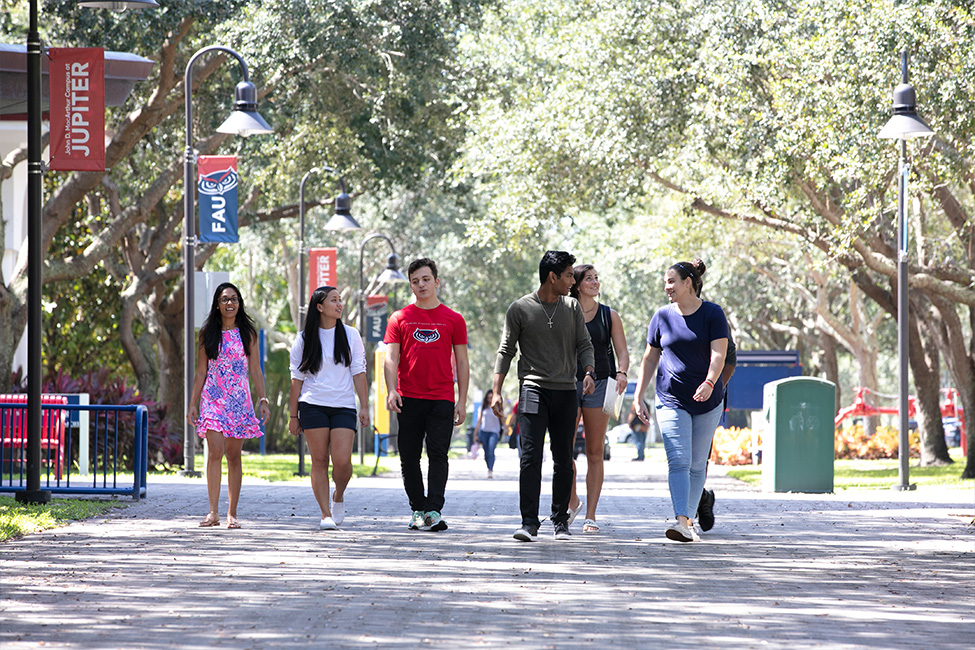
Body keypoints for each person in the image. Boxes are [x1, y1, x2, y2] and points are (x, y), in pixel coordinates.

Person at [492, 250, 595, 542]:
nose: (572, 280)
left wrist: (588, 370)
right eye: (568, 275)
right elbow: (506, 351)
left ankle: (560, 521)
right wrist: (496, 391)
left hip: (565, 392)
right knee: (530, 458)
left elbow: (584, 344)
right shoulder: (520, 309)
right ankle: (528, 522)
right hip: (532, 390)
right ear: (553, 277)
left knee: (563, 458)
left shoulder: (572, 307)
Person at [633, 259, 728, 543]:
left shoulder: (713, 314)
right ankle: (682, 521)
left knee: (698, 464)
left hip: (707, 399)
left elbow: (719, 354)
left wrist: (710, 382)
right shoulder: (661, 316)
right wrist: (638, 396)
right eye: (665, 281)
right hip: (671, 397)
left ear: (689, 283)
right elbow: (650, 357)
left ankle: (688, 518)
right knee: (678, 460)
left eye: (671, 281)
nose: (667, 287)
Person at [383, 258, 470, 532]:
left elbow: (463, 362)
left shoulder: (454, 319)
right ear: (411, 285)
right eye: (415, 281)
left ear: (436, 281)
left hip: (442, 397)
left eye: (426, 279)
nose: (421, 285)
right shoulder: (399, 318)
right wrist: (391, 390)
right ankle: (417, 510)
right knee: (409, 456)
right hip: (408, 396)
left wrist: (462, 400)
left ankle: (434, 510)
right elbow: (391, 357)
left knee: (438, 454)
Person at [188, 282, 270, 530]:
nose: (230, 303)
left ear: (239, 303)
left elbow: (255, 369)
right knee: (215, 451)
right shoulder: (207, 333)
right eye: (225, 299)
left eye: (234, 299)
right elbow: (201, 371)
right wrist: (193, 403)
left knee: (234, 456)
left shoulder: (248, 333)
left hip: (239, 401)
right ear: (217, 303)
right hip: (213, 398)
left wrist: (263, 399)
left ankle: (231, 513)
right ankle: (212, 512)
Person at [289, 286, 369, 530]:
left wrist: (364, 406)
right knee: (320, 460)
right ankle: (325, 514)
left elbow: (359, 371)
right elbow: (296, 379)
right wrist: (293, 415)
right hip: (313, 404)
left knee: (342, 461)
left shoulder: (351, 334)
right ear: (319, 306)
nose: (339, 304)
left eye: (340, 300)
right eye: (334, 300)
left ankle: (338, 495)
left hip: (343, 405)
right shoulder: (304, 339)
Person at [566, 264, 629, 534]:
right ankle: (572, 501)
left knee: (594, 451)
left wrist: (622, 372)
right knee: (563, 451)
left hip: (603, 384)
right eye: (588, 278)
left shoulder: (609, 315)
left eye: (596, 278)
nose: (594, 282)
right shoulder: (564, 312)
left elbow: (622, 352)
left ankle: (590, 516)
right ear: (577, 284)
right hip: (567, 384)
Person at [473, 390, 504, 478]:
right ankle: (488, 466)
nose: (490, 399)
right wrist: (475, 434)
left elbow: (502, 419)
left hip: (494, 432)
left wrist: (506, 428)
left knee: (491, 450)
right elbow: (479, 421)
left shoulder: (498, 407)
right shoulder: (482, 407)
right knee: (486, 452)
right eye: (489, 398)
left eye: (491, 397)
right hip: (484, 432)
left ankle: (490, 469)